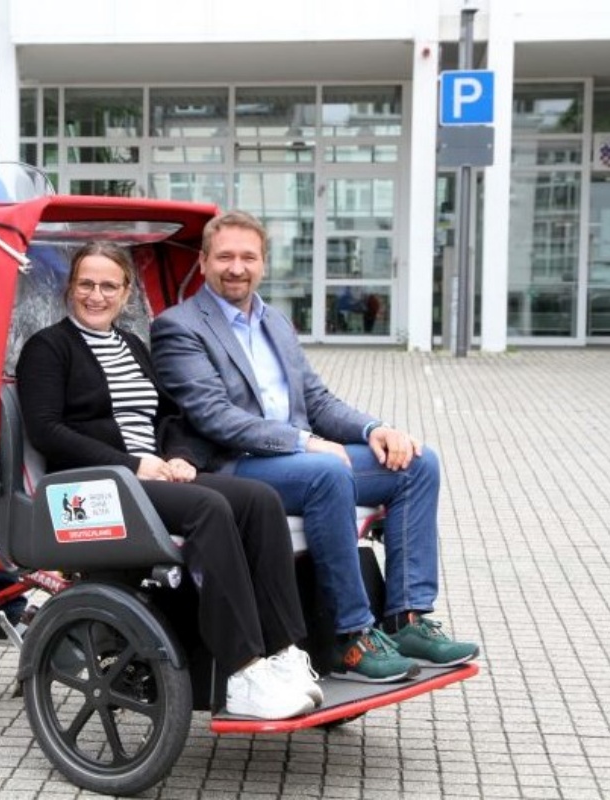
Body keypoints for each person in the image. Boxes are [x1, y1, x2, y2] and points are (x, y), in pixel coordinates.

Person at [150, 210, 478, 683]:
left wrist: (375, 430)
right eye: (224, 256)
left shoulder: (275, 322)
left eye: (248, 257)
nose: (236, 267)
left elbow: (317, 401)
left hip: (299, 458)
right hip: (235, 467)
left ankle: (406, 618)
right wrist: (306, 443)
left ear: (264, 263)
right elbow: (213, 415)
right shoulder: (178, 326)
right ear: (202, 263)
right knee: (327, 473)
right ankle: (351, 636)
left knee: (417, 464)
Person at [16, 241, 323, 720]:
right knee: (209, 509)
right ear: (70, 289)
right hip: (93, 484)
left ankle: (281, 653)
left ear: (126, 291)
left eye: (108, 286)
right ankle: (241, 667)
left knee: (259, 500)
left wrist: (177, 456)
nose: (96, 296)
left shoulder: (133, 345)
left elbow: (170, 417)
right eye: (86, 285)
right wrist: (133, 464)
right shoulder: (48, 348)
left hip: (149, 474)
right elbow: (47, 432)